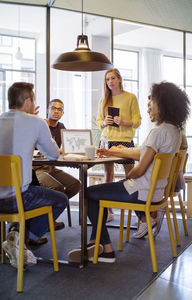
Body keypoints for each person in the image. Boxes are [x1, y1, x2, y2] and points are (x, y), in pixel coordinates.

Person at [68, 81, 190, 263]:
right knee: (98, 192)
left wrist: (128, 176)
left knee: (88, 193)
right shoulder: (174, 132)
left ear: (163, 105)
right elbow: (143, 153)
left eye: (152, 104)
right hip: (154, 192)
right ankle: (95, 242)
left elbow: (139, 169)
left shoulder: (158, 132)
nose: (148, 109)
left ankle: (106, 248)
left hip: (139, 190)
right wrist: (113, 151)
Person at [0, 82, 68, 268]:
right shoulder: (36, 122)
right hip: (17, 198)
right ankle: (24, 238)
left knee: (35, 188)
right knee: (61, 199)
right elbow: (54, 154)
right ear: (28, 101)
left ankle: (15, 234)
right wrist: (39, 126)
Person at [96, 68, 141, 222]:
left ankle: (138, 212)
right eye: (107, 79)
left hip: (125, 142)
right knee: (108, 176)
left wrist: (123, 122)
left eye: (113, 78)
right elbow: (98, 122)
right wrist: (104, 122)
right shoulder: (103, 100)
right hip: (107, 141)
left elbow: (138, 121)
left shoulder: (131, 97)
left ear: (120, 79)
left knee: (131, 177)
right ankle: (109, 212)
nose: (110, 82)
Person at [35, 99, 81, 227]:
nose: (56, 111)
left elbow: (67, 147)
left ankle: (48, 215)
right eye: (53, 108)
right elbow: (41, 149)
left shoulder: (61, 127)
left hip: (51, 168)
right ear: (47, 110)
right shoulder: (41, 125)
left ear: (63, 113)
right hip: (37, 169)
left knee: (76, 185)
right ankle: (46, 220)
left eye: (59, 109)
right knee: (57, 188)